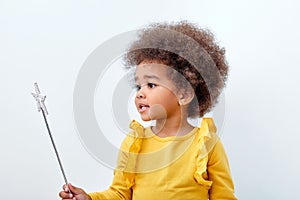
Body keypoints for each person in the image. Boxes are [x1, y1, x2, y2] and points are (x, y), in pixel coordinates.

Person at [59, 21, 237, 200]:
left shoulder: (207, 144)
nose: (140, 93)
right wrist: (89, 199)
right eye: (138, 86)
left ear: (183, 94)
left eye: (151, 84)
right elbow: (120, 193)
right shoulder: (135, 144)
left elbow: (223, 197)